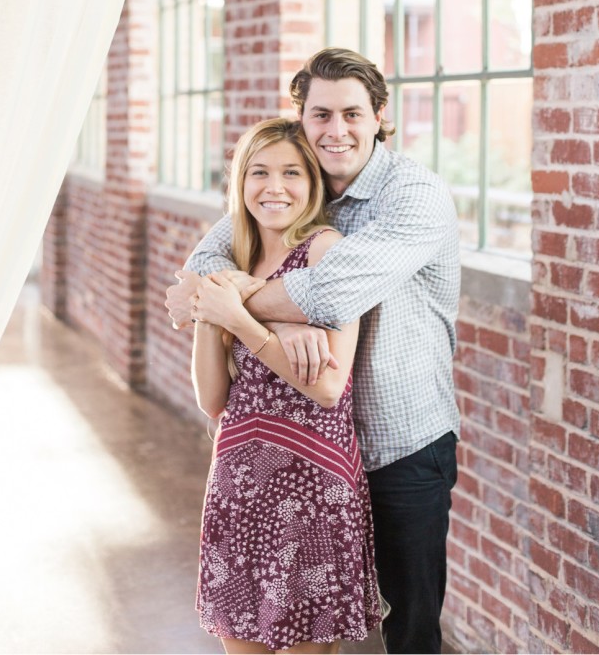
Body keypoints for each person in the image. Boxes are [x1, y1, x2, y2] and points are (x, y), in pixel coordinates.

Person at [167, 48, 461, 655]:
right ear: (302, 117)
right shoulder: (298, 181)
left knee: (408, 628)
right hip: (313, 450)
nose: (336, 130)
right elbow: (203, 264)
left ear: (380, 115)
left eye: (352, 113)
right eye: (320, 114)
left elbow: (329, 290)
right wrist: (237, 302)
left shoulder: (414, 195)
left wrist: (237, 304)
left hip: (403, 442)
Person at [188, 116, 382, 654]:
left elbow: (327, 387)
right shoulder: (233, 260)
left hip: (312, 485)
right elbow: (212, 398)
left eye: (292, 173)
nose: (275, 187)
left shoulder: (326, 252)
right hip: (238, 483)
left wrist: (244, 320)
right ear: (240, 183)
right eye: (259, 173)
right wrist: (213, 312)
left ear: (313, 183)